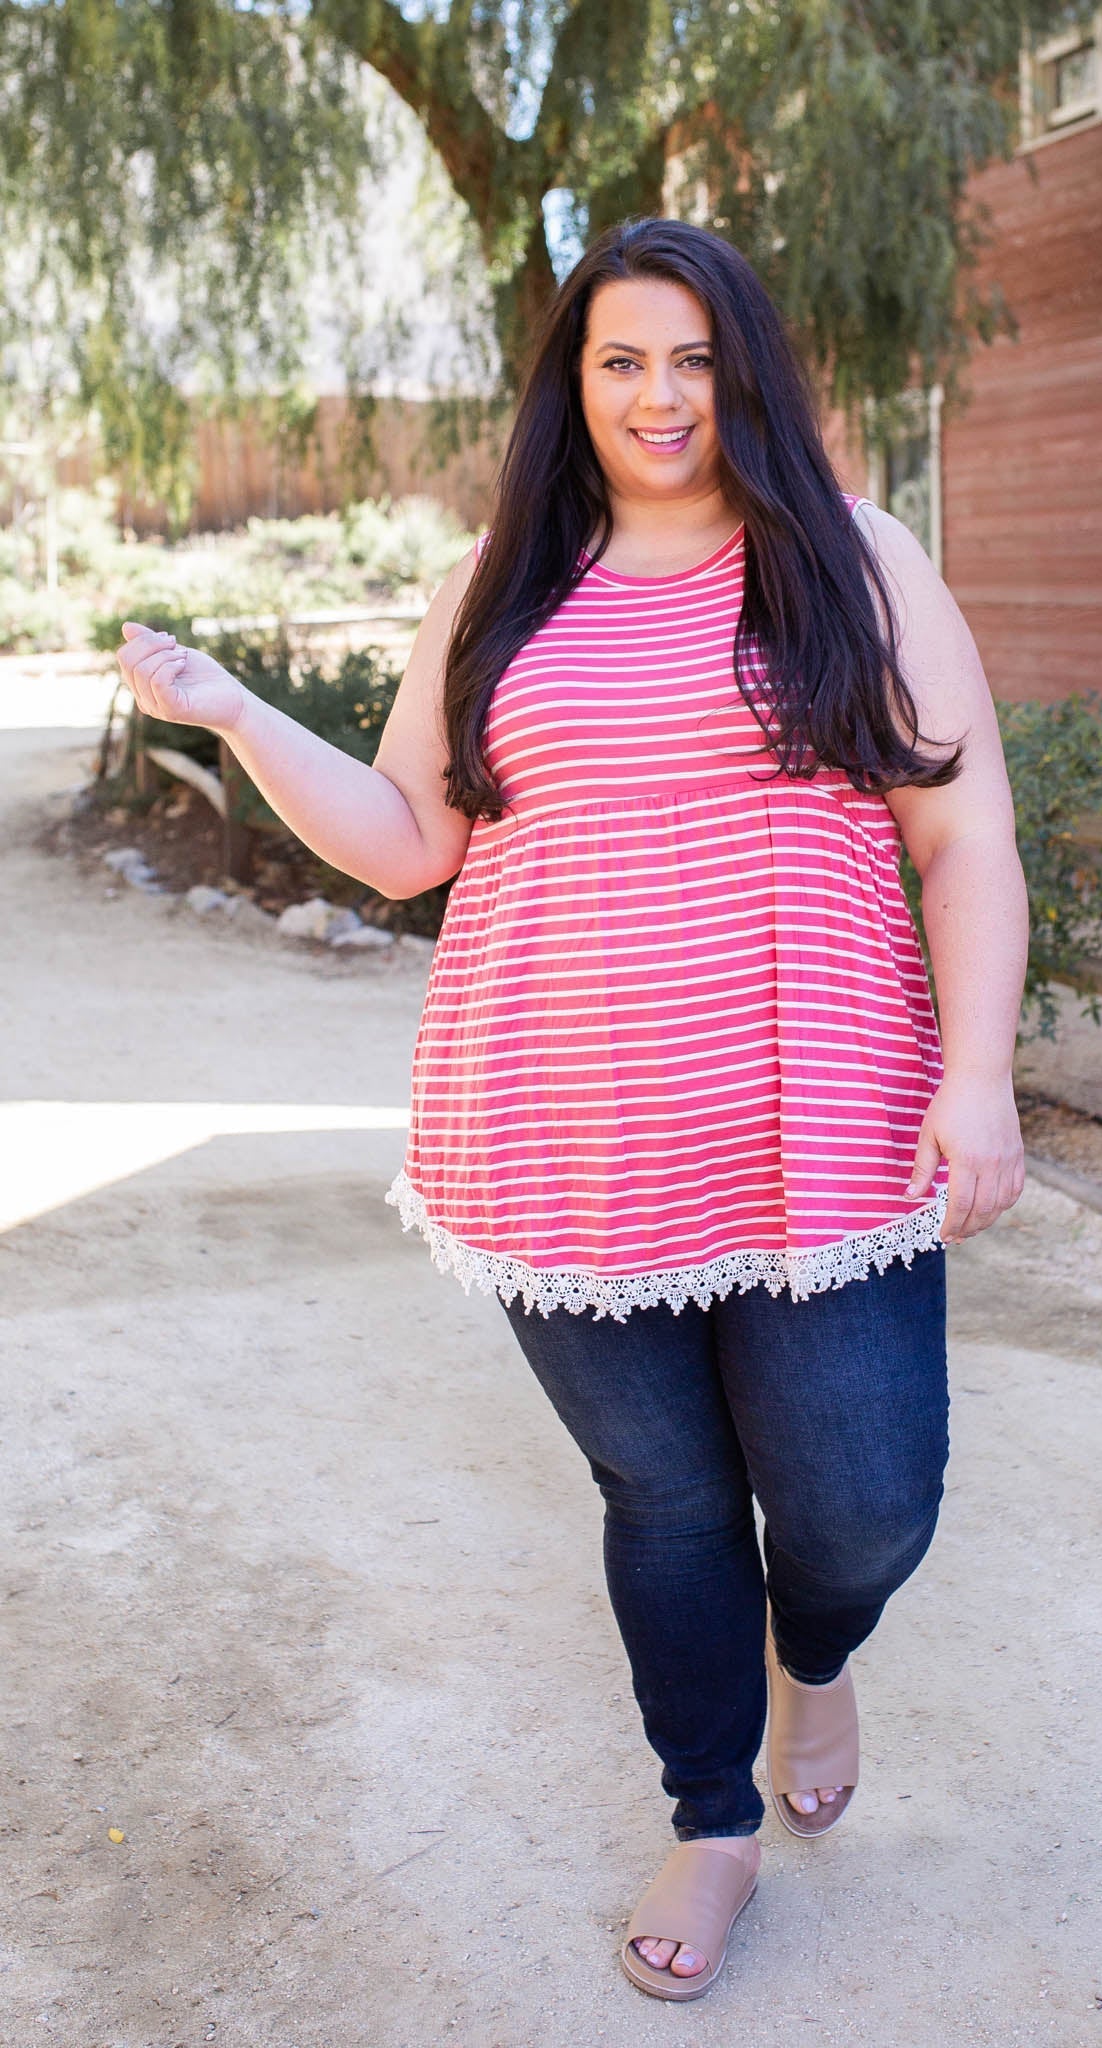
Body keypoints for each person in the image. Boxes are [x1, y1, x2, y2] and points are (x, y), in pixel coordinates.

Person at [117, 216, 1028, 2004]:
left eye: (692, 356)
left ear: (743, 367)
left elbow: (961, 831)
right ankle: (710, 1821)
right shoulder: (508, 580)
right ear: (573, 384)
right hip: (564, 1127)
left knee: (862, 1498)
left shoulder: (854, 559)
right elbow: (408, 840)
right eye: (621, 359)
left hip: (821, 1117)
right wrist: (233, 715)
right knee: (669, 1499)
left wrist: (975, 1069)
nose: (659, 393)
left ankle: (816, 1651)